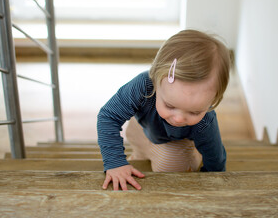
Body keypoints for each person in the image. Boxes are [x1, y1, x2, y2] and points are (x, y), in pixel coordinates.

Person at [97, 29, 231, 191]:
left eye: (194, 112)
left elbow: (215, 156)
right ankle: (142, 154)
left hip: (175, 144)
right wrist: (115, 162)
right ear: (155, 80)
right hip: (142, 129)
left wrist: (211, 180)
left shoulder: (206, 122)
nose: (179, 119)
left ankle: (193, 154)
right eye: (170, 105)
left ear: (214, 100)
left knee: (171, 168)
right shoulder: (144, 85)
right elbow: (109, 116)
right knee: (134, 137)